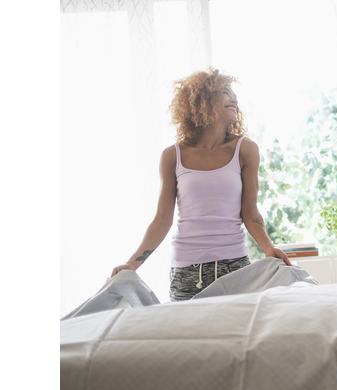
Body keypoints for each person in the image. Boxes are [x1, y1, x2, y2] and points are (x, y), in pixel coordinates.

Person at [111, 68, 291, 301]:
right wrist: (132, 264)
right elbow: (162, 219)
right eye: (226, 93)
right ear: (202, 100)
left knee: (235, 334)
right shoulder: (172, 156)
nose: (234, 99)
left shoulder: (245, 149)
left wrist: (268, 247)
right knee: (188, 336)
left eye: (235, 95)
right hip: (186, 270)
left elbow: (250, 210)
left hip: (234, 267)